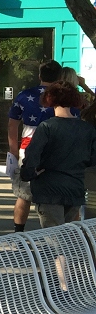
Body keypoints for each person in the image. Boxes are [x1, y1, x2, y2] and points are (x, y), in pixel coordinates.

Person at [21, 82, 96, 227]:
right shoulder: (87, 129)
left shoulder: (47, 127)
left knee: (53, 238)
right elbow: (93, 158)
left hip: (49, 189)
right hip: (75, 189)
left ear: (49, 99)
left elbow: (32, 155)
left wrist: (28, 173)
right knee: (65, 236)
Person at [8, 60, 62, 231]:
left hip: (28, 148)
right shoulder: (64, 97)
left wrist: (14, 152)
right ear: (59, 76)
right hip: (56, 151)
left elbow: (12, 124)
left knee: (24, 195)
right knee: (54, 197)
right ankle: (59, 236)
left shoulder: (24, 96)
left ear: (40, 76)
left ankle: (18, 233)